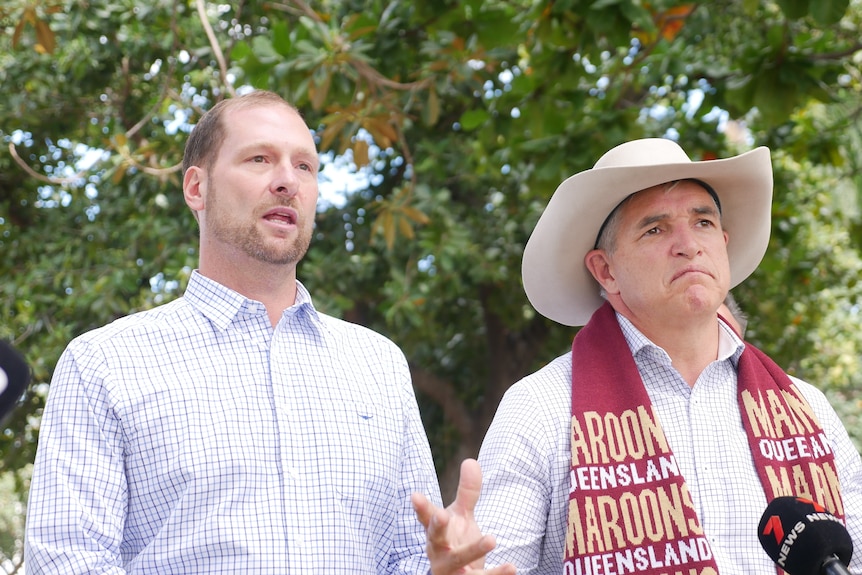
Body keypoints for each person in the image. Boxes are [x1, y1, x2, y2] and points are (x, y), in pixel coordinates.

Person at [25, 90, 443, 574]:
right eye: (260, 159)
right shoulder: (103, 363)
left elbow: (411, 557)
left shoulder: (378, 363)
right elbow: (68, 560)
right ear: (196, 189)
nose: (287, 181)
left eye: (305, 166)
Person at [414, 138, 862, 574]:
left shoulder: (807, 407)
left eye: (703, 222)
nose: (689, 244)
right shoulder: (541, 408)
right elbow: (490, 566)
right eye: (655, 228)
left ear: (723, 243)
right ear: (606, 271)